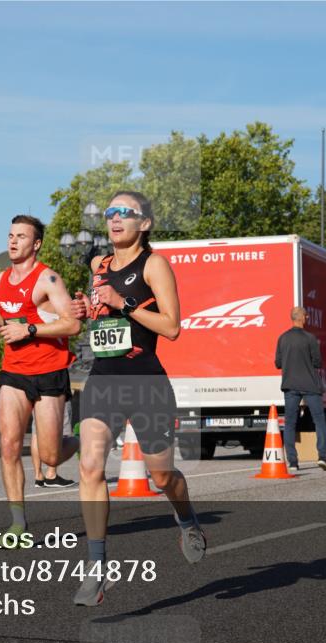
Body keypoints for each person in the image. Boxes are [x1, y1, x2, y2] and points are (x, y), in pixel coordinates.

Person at [69, 191, 205, 606]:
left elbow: (172, 326)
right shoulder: (99, 266)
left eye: (126, 213)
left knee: (163, 477)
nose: (115, 219)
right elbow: (98, 320)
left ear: (144, 223)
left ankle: (187, 519)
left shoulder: (155, 265)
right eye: (111, 212)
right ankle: (96, 570)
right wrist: (84, 311)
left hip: (146, 382)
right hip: (104, 380)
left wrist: (123, 302)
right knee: (90, 466)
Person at [0, 214, 80, 544]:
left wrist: (30, 329)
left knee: (50, 456)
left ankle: (86, 441)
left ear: (35, 244)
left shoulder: (48, 279)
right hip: (14, 371)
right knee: (8, 446)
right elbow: (10, 321)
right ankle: (18, 524)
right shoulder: (0, 280)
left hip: (49, 371)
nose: (13, 241)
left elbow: (72, 325)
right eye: (10, 235)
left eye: (21, 236)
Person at [275, 306, 326, 473]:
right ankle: (322, 457)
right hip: (310, 385)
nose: (308, 318)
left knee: (290, 423)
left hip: (290, 385)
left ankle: (293, 462)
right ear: (302, 318)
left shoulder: (282, 338)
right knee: (319, 421)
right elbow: (317, 362)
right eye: (306, 316)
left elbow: (278, 363)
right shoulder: (310, 338)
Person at [31, 400, 76, 488]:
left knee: (37, 431)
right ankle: (51, 475)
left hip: (37, 393)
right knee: (61, 430)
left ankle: (38, 476)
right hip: (57, 392)